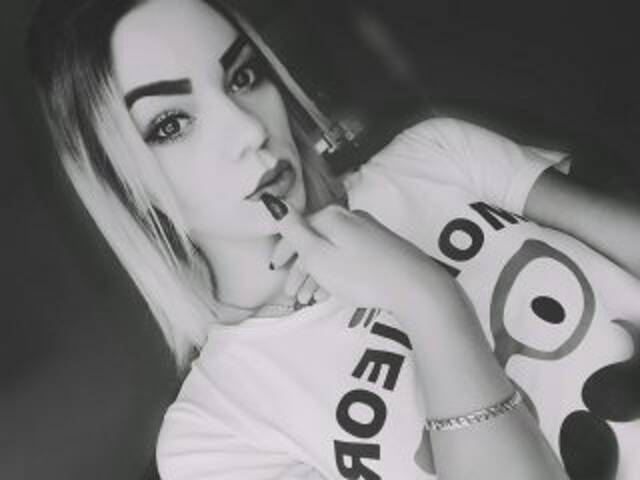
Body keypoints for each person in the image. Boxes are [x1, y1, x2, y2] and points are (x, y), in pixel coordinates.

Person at [26, 0, 639, 479]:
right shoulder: (215, 435)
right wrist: (428, 302)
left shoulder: (438, 155)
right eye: (172, 123)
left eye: (242, 76)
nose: (247, 129)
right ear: (120, 182)